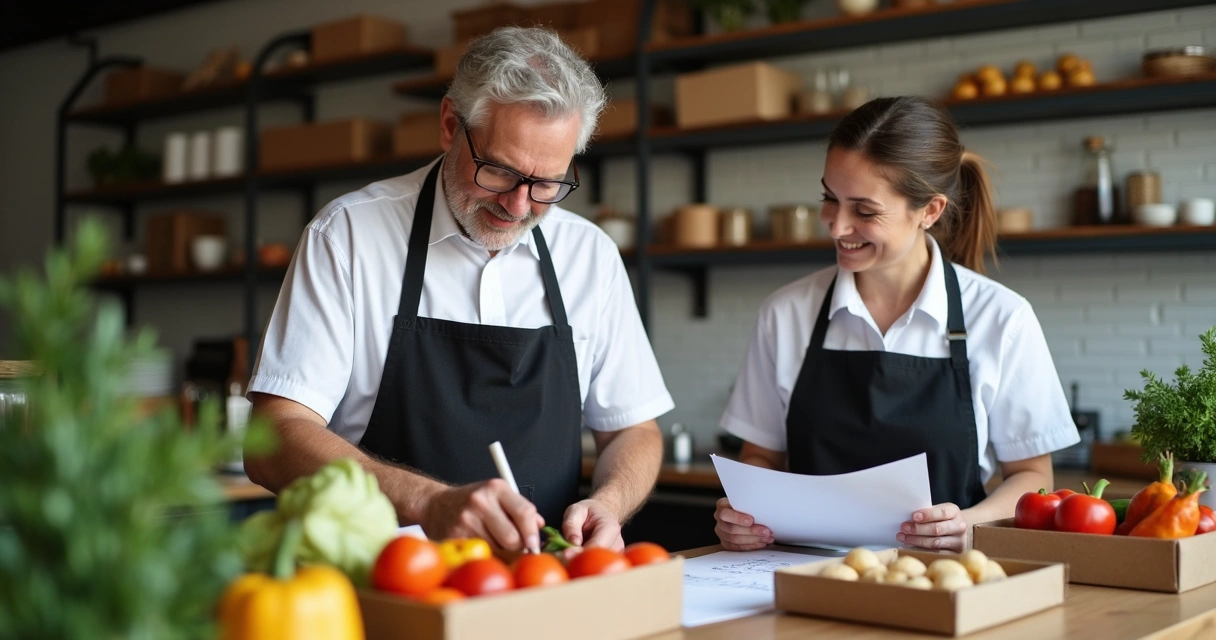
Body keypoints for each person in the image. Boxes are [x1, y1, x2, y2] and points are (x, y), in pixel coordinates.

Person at [244, 27, 673, 555]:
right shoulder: (349, 236)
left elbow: (634, 430)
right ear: (451, 124)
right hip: (391, 582)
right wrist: (427, 502)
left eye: (547, 185)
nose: (518, 207)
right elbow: (272, 437)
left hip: (539, 585)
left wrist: (609, 503)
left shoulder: (591, 256)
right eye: (499, 171)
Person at [714, 96, 1080, 552]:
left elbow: (1032, 477)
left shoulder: (1001, 318)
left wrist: (968, 524)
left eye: (865, 211)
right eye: (830, 198)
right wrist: (746, 513)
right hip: (803, 575)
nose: (836, 226)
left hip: (943, 576)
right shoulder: (785, 313)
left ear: (929, 211)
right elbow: (761, 456)